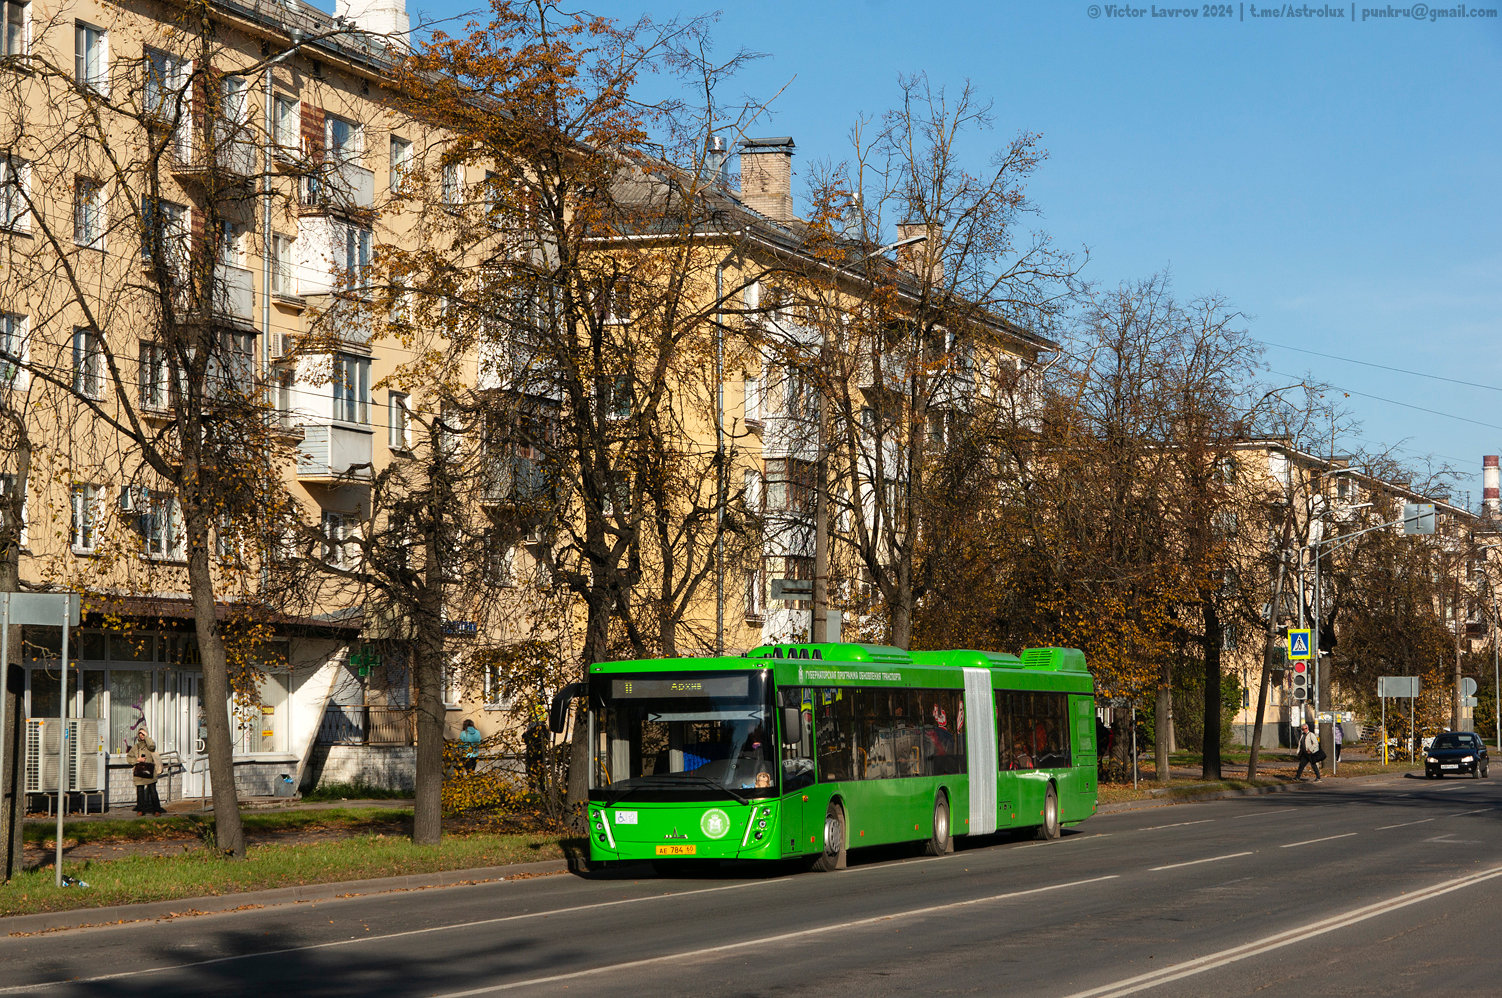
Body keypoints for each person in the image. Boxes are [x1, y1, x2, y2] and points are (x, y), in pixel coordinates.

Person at [132, 728, 165, 815]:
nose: (141, 735)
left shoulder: (150, 745)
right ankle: (141, 810)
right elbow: (129, 757)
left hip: (150, 770)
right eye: (140, 733)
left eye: (143, 734)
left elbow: (152, 747)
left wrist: (147, 737)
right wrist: (137, 760)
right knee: (140, 791)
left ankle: (157, 810)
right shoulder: (136, 747)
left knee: (152, 790)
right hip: (139, 771)